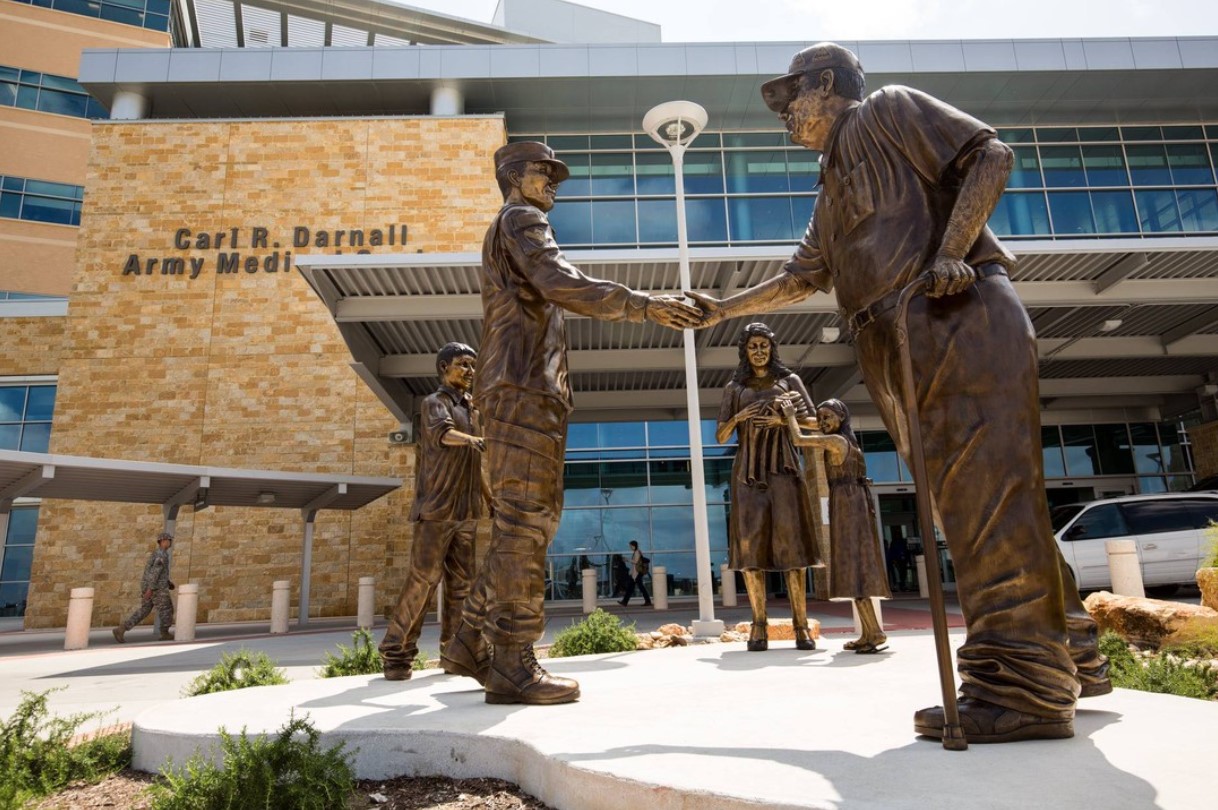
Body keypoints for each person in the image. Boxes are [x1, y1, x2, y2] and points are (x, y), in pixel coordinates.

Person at [689, 42, 1109, 742]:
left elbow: (991, 155)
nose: (785, 116)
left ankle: (1022, 687)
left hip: (949, 314)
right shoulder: (832, 184)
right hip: (894, 336)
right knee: (974, 499)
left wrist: (952, 248)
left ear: (827, 84)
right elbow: (802, 277)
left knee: (983, 497)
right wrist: (719, 311)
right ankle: (1068, 649)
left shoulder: (887, 108)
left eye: (790, 98)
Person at [442, 141, 701, 706]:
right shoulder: (521, 218)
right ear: (514, 176)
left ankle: (467, 640)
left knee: (523, 522)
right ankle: (512, 661)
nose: (554, 183)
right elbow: (559, 280)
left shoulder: (511, 223)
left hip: (522, 388)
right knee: (526, 523)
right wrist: (644, 304)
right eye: (544, 173)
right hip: (522, 387)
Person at [379, 342, 490, 681]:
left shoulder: (472, 409)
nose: (470, 371)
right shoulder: (433, 404)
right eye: (462, 364)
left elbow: (476, 463)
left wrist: (490, 499)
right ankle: (396, 651)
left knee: (463, 586)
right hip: (437, 507)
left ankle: (455, 653)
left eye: (473, 365)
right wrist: (474, 440)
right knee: (424, 579)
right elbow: (443, 435)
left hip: (466, 509)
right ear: (444, 368)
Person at [715, 322, 821, 652]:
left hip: (785, 469)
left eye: (764, 345)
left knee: (792, 549)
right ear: (745, 352)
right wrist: (740, 416)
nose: (759, 351)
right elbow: (720, 435)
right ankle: (758, 625)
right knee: (751, 549)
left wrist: (783, 420)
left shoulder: (790, 381)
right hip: (747, 472)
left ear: (772, 348)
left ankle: (800, 625)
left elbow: (815, 420)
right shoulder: (734, 387)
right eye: (753, 346)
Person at [783, 398, 890, 653]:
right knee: (852, 569)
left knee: (855, 568)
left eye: (827, 417)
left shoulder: (837, 441)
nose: (822, 423)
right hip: (849, 503)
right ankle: (868, 632)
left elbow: (799, 440)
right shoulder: (845, 438)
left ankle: (875, 633)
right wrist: (796, 419)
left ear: (841, 417)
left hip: (849, 506)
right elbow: (810, 425)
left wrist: (788, 416)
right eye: (820, 418)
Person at [113, 531, 175, 643]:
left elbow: (157, 572)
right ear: (162, 541)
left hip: (152, 586)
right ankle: (164, 632)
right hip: (156, 589)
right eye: (168, 540)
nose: (170, 542)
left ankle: (121, 629)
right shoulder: (161, 554)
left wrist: (167, 582)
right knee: (167, 609)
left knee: (144, 610)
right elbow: (155, 573)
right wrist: (150, 589)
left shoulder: (158, 553)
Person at [618, 540, 652, 607]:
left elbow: (636, 562)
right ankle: (625, 602)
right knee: (631, 588)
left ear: (633, 546)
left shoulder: (636, 552)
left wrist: (627, 560)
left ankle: (648, 601)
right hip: (636, 573)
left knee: (640, 588)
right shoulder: (637, 552)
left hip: (637, 574)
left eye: (630, 546)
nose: (630, 547)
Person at [887, 527, 910, 592]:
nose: (897, 535)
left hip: (902, 559)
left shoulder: (902, 542)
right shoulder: (894, 542)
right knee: (899, 572)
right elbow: (892, 551)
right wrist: (894, 559)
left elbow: (906, 550)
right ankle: (900, 585)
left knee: (903, 572)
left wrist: (907, 559)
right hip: (897, 560)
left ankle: (903, 584)